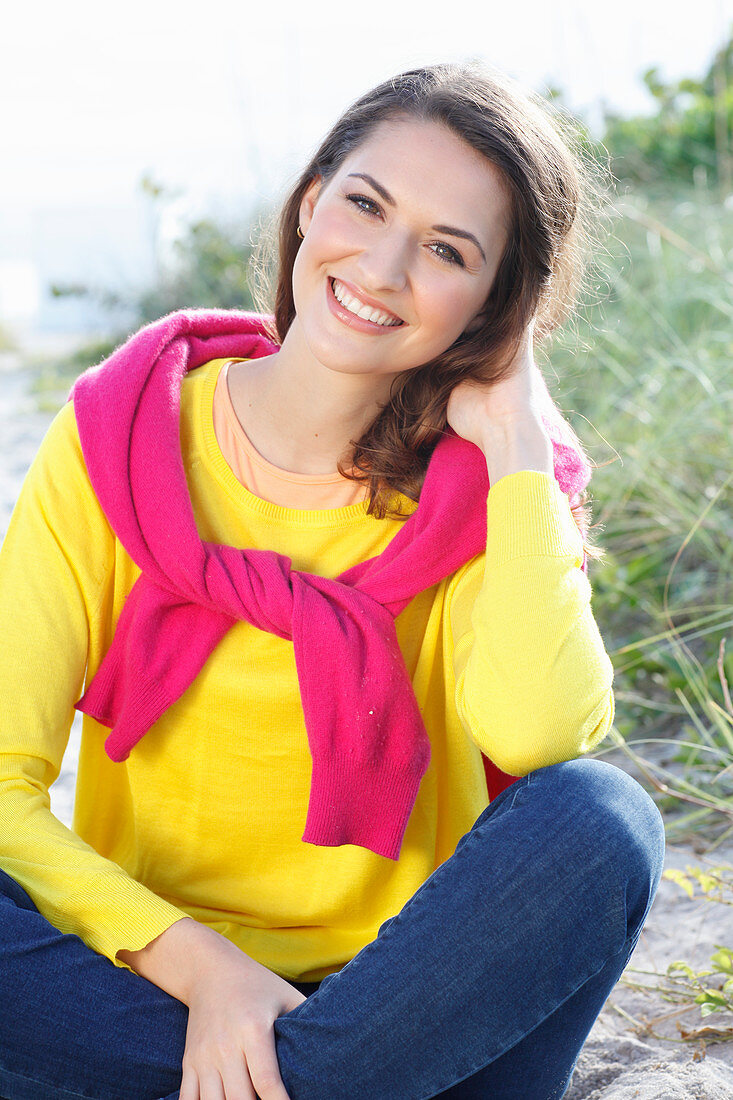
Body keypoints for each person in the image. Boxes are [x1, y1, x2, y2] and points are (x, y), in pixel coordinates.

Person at [0, 60, 665, 1100]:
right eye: (365, 202)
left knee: (601, 818)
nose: (385, 264)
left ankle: (300, 1076)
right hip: (152, 985)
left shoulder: (491, 491)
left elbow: (541, 739)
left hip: (407, 1006)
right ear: (312, 201)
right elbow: (4, 779)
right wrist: (207, 970)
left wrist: (519, 456)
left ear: (496, 308)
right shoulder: (120, 440)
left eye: (449, 250)